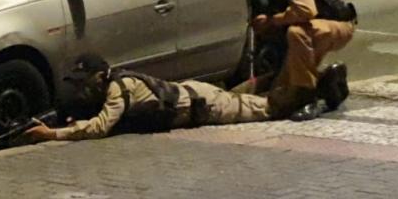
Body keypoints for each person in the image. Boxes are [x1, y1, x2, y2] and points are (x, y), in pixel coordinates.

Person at [233, 0, 355, 121]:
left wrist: (272, 20)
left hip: (336, 25)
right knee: (278, 92)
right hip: (309, 27)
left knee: (297, 33)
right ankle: (328, 81)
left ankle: (307, 99)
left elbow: (306, 9)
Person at [25, 53, 274, 142]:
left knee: (268, 109)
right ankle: (276, 79)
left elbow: (99, 128)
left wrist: (52, 134)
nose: (81, 89)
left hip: (203, 104)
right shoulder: (107, 86)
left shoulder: (118, 88)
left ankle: (306, 92)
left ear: (100, 77)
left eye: (84, 82)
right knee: (252, 95)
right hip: (193, 95)